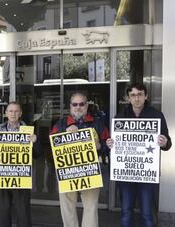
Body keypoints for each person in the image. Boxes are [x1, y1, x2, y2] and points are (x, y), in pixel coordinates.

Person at [106, 83, 171, 227]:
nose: (137, 98)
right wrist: (110, 144)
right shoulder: (120, 117)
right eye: (133, 95)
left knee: (147, 214)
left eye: (140, 94)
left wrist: (164, 142)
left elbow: (168, 144)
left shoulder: (156, 116)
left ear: (145, 96)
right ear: (128, 98)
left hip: (147, 174)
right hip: (126, 174)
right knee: (126, 212)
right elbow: (114, 145)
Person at [51, 92, 109, 227]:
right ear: (70, 106)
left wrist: (100, 145)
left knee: (91, 208)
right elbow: (52, 145)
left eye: (81, 104)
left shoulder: (98, 123)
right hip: (67, 172)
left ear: (87, 105)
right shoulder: (61, 124)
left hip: (91, 172)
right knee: (67, 207)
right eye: (75, 104)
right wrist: (64, 133)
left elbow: (109, 144)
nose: (78, 107)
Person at [0, 101, 39, 227]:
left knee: (23, 211)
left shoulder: (29, 131)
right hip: (3, 175)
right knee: (3, 210)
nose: (13, 114)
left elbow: (37, 154)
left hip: (21, 175)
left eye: (16, 111)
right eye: (10, 111)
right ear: (6, 113)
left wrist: (35, 142)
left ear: (20, 113)